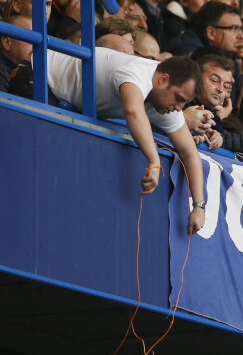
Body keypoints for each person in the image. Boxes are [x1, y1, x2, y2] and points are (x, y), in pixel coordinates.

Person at [45, 48, 205, 233]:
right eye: (179, 98)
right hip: (40, 77)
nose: (179, 108)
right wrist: (154, 161)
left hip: (64, 102)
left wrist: (199, 206)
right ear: (163, 80)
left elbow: (190, 153)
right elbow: (133, 111)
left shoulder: (166, 103)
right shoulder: (138, 71)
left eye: (184, 103)